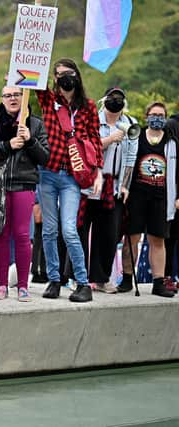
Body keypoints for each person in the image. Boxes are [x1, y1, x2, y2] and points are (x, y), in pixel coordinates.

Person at [36, 58, 103, 303]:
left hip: (72, 177)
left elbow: (95, 140)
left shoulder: (88, 106)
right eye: (59, 74)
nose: (65, 77)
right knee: (49, 230)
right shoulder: (48, 100)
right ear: (54, 78)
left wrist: (97, 171)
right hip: (47, 174)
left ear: (77, 75)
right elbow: (32, 81)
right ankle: (54, 280)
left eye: (69, 73)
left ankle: (82, 283)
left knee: (69, 230)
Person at [0, 86, 49, 301]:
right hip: (0, 184)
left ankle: (23, 286)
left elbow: (45, 158)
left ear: (24, 97)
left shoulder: (36, 124)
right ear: (2, 98)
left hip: (24, 184)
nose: (12, 98)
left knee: (23, 235)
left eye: (17, 94)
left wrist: (31, 140)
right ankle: (2, 285)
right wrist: (8, 145)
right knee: (1, 234)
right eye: (7, 95)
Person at [78, 87, 138, 294]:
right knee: (81, 229)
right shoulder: (91, 119)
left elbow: (131, 158)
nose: (116, 102)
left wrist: (125, 185)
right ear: (105, 100)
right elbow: (86, 148)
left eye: (120, 98)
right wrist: (111, 139)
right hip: (90, 183)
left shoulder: (130, 124)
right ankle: (77, 276)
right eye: (112, 98)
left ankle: (101, 278)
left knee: (109, 234)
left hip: (114, 185)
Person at [122, 101, 177, 298]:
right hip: (137, 195)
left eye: (161, 115)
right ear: (146, 116)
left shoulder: (171, 142)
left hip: (160, 197)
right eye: (154, 114)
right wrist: (124, 188)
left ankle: (158, 282)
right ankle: (127, 278)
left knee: (157, 239)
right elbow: (127, 164)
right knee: (132, 238)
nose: (157, 118)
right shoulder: (137, 137)